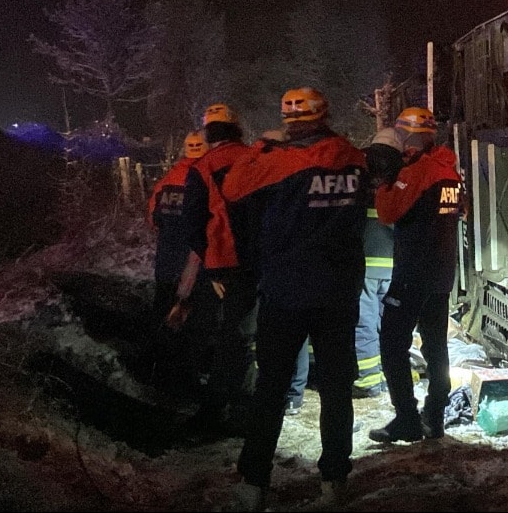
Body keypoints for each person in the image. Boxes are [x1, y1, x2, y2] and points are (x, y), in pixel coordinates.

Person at [221, 87, 368, 510]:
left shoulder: (277, 162)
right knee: (338, 388)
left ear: (288, 122)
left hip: (287, 291)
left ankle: (253, 483)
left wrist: (262, 145)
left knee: (271, 387)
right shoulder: (354, 158)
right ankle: (335, 480)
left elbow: (232, 187)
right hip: (339, 291)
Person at [368, 107, 462, 443]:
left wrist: (383, 182)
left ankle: (407, 418)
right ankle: (434, 416)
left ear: (412, 135)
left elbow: (387, 212)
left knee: (392, 343)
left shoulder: (419, 171)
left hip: (413, 273)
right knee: (436, 349)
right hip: (440, 275)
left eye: (401, 135)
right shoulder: (449, 169)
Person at [173, 103, 258, 435]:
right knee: (249, 335)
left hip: (224, 264)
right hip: (262, 261)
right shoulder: (256, 158)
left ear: (208, 133)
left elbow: (192, 224)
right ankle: (245, 405)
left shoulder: (203, 167)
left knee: (230, 338)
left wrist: (211, 264)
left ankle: (220, 411)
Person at [146, 131, 212, 387]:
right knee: (192, 321)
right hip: (194, 264)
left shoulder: (169, 178)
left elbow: (153, 217)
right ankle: (185, 375)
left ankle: (156, 367)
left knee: (162, 312)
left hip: (167, 261)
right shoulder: (207, 176)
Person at [353, 128, 405, 399]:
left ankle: (369, 380)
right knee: (390, 325)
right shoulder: (404, 180)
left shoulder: (361, 180)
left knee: (365, 323)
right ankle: (388, 374)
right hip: (395, 267)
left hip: (367, 266)